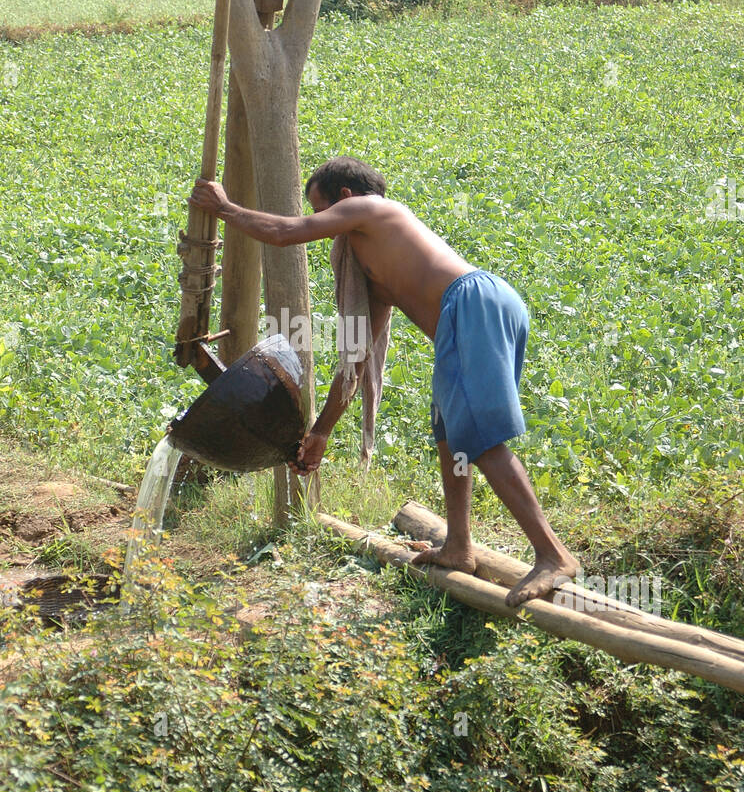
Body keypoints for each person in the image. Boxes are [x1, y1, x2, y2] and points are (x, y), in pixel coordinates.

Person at [189, 157, 580, 607]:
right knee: (452, 437)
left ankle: (553, 555)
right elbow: (355, 360)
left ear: (346, 198)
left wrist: (226, 210)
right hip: (469, 319)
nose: (324, 227)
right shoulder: (374, 275)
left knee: (483, 440)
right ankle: (459, 546)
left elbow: (283, 233)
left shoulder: (374, 208)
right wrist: (321, 432)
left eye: (322, 212)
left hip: (474, 304)